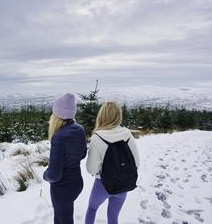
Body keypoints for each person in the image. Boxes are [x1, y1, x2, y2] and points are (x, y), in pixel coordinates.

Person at [85, 102, 140, 224]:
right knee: (113, 218)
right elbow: (137, 164)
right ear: (118, 116)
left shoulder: (97, 137)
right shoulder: (127, 134)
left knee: (92, 208)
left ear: (102, 116)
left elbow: (91, 169)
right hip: (123, 184)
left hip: (102, 185)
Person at [43, 93, 87, 224]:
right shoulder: (80, 129)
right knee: (61, 217)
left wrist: (45, 175)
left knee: (64, 219)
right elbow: (83, 154)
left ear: (56, 115)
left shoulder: (58, 137)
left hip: (62, 189)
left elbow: (54, 175)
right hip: (77, 183)